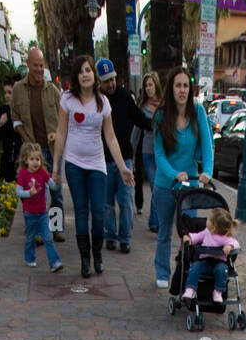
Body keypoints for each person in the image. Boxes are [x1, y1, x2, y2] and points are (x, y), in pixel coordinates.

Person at [52, 54, 134, 278]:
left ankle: (97, 254)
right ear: (76, 76)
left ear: (94, 75)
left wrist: (123, 167)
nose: (85, 74)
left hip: (97, 164)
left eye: (88, 70)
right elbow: (61, 132)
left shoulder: (103, 102)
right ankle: (85, 260)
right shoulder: (68, 99)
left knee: (98, 211)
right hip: (74, 164)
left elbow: (111, 137)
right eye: (81, 71)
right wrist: (56, 167)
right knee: (81, 212)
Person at [153, 67, 214, 290]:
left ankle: (184, 271)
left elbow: (207, 147)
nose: (182, 90)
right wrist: (173, 174)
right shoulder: (161, 116)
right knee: (165, 230)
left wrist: (207, 171)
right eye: (178, 86)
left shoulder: (198, 112)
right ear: (171, 89)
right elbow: (159, 154)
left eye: (185, 86)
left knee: (190, 233)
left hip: (190, 185)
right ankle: (161, 270)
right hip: (166, 184)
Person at [95, 58, 152, 254]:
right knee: (107, 203)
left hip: (125, 159)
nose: (110, 84)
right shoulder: (97, 100)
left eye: (112, 79)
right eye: (106, 80)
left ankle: (125, 237)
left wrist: (155, 125)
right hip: (102, 160)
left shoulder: (124, 96)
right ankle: (110, 235)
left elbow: (138, 117)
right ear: (99, 82)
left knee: (126, 200)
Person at [11, 47, 66, 241]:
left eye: (41, 66)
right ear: (28, 65)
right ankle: (35, 232)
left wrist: (56, 132)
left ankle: (56, 228)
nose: (39, 69)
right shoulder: (18, 90)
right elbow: (15, 118)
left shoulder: (52, 91)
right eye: (35, 65)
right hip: (31, 151)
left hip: (52, 150)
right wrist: (25, 137)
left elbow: (64, 117)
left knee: (56, 191)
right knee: (34, 194)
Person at [15, 143, 63, 272]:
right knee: (30, 238)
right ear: (25, 160)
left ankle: (55, 262)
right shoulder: (23, 174)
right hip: (30, 214)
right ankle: (29, 258)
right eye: (32, 159)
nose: (35, 162)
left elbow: (52, 186)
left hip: (42, 213)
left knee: (48, 237)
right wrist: (28, 193)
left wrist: (56, 181)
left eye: (38, 159)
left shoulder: (42, 172)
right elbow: (18, 192)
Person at [181, 206, 240, 304]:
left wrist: (229, 246)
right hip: (205, 262)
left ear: (214, 227)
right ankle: (190, 289)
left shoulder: (225, 238)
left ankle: (218, 291)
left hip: (219, 263)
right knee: (195, 267)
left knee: (222, 270)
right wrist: (189, 238)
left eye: (209, 219)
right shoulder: (206, 232)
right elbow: (197, 236)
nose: (206, 220)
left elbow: (236, 243)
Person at [133, 71, 163, 232]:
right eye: (146, 85)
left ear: (156, 85)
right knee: (154, 185)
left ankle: (154, 221)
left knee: (159, 186)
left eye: (151, 84)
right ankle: (155, 222)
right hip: (147, 151)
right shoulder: (142, 107)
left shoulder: (165, 105)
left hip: (162, 153)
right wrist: (130, 155)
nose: (148, 88)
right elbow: (136, 133)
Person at [0, 80, 21, 182]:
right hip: (7, 154)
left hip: (19, 153)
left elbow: (17, 130)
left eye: (10, 92)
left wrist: (6, 123)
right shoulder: (2, 109)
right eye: (5, 93)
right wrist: (1, 124)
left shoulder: (19, 109)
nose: (7, 96)